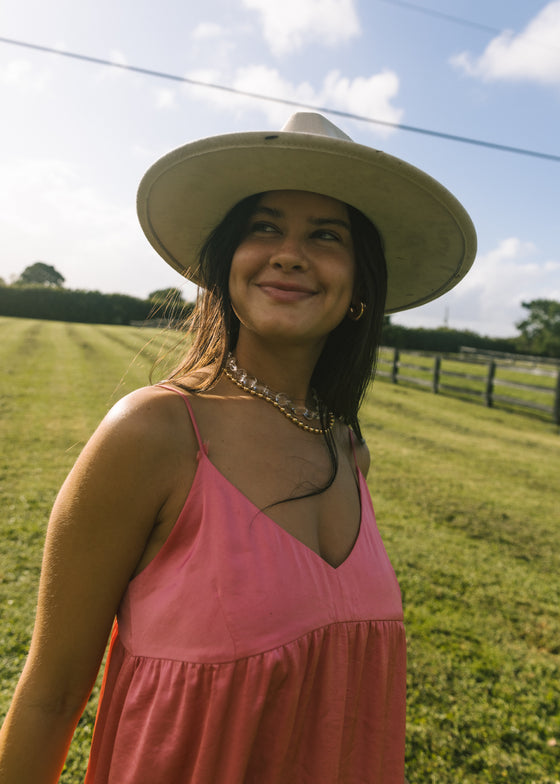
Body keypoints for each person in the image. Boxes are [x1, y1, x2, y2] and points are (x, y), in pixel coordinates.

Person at [0, 112, 476, 783]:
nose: (289, 252)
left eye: (325, 235)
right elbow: (50, 699)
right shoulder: (152, 435)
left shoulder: (345, 448)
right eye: (265, 227)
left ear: (361, 288)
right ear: (227, 262)